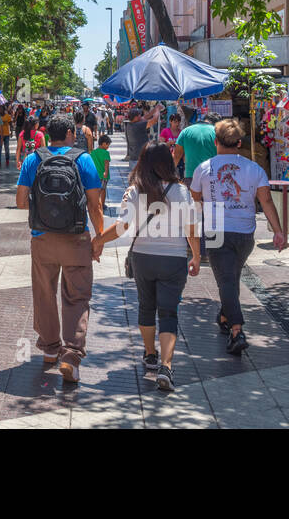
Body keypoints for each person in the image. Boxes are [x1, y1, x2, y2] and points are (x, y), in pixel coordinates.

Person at [94, 140, 200, 393]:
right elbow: (191, 230)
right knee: (168, 312)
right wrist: (195, 255)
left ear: (142, 163)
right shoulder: (181, 191)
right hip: (174, 259)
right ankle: (166, 366)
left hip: (143, 258)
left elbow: (122, 227)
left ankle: (150, 355)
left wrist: (97, 241)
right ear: (168, 162)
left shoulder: (134, 190)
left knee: (146, 306)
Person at [16, 113, 103, 385]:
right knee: (77, 296)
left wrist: (47, 210)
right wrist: (99, 237)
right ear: (69, 133)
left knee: (44, 292)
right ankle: (72, 355)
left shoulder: (33, 159)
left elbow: (20, 202)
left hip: (42, 238)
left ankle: (50, 348)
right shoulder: (84, 159)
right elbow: (94, 205)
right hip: (75, 238)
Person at [190, 119, 287, 355]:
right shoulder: (255, 169)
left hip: (216, 232)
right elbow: (266, 201)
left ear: (216, 142)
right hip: (245, 233)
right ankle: (224, 316)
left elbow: (194, 197)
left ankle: (236, 330)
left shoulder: (203, 168)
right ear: (239, 143)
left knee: (226, 280)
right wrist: (278, 230)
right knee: (231, 277)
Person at [173, 109, 219, 184]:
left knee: (192, 196)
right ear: (217, 123)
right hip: (211, 176)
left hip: (191, 176)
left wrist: (170, 173)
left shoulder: (186, 131)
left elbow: (177, 156)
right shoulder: (217, 132)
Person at [91, 133, 113, 209]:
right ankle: (102, 205)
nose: (108, 147)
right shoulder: (106, 153)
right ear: (103, 143)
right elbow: (106, 163)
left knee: (96, 190)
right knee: (103, 190)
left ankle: (95, 203)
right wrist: (106, 172)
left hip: (95, 175)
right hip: (103, 176)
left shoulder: (93, 152)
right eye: (108, 145)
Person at [0, 104, 13, 168]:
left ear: (4, 109)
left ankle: (7, 160)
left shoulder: (8, 116)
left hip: (6, 135)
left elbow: (10, 124)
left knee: (6, 148)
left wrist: (11, 132)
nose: (0, 110)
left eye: (1, 109)